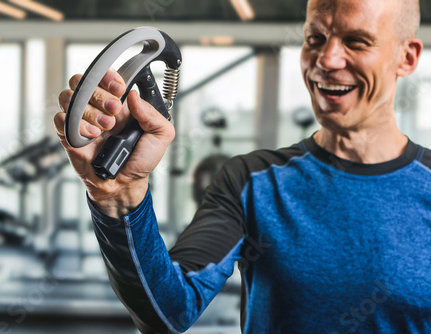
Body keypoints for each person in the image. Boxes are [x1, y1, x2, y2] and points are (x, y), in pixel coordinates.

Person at [54, 0, 431, 332]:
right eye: (314, 39)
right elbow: (169, 313)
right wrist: (119, 195)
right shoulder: (251, 181)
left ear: (407, 57)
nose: (327, 60)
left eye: (356, 41)